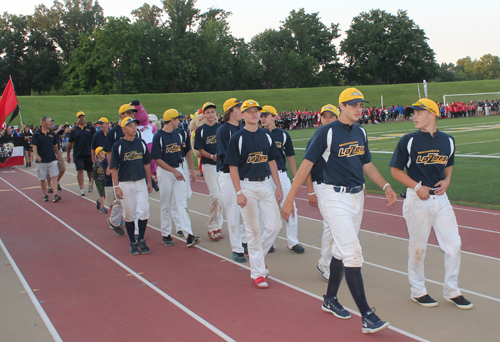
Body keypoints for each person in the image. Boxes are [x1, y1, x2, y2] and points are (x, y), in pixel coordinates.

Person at [281, 88, 397, 334]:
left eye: (360, 105)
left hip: (358, 197)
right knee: (353, 253)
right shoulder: (326, 132)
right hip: (334, 198)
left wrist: (385, 186)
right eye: (353, 104)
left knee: (340, 252)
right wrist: (290, 198)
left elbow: (366, 163)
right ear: (341, 106)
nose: (358, 108)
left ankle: (330, 299)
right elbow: (305, 166)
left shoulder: (361, 131)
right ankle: (367, 315)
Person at [390, 98, 473, 310]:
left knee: (454, 244)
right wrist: (418, 188)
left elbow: (449, 165)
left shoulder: (449, 140)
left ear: (432, 114)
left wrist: (447, 181)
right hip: (417, 200)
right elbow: (395, 171)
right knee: (418, 248)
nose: (414, 116)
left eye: (419, 112)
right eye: (413, 113)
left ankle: (452, 290)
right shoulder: (408, 141)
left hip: (441, 200)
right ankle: (418, 291)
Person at [224, 99, 283, 288]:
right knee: (253, 229)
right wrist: (238, 192)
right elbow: (232, 167)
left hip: (266, 184)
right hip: (246, 186)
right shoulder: (237, 139)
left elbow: (272, 162)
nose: (253, 114)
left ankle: (256, 256)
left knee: (275, 226)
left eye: (256, 111)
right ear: (242, 115)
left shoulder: (267, 136)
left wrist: (278, 187)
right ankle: (258, 272)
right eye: (249, 111)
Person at [151, 109, 200, 248]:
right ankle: (166, 234)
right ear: (172, 120)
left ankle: (188, 235)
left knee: (182, 202)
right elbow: (157, 159)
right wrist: (173, 171)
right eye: (178, 119)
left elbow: (187, 152)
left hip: (178, 169)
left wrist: (190, 170)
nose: (179, 122)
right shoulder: (158, 137)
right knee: (165, 203)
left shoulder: (179, 135)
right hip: (165, 172)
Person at [260, 104, 304, 254]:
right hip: (265, 176)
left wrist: (296, 175)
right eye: (261, 116)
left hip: (281, 174)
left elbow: (290, 157)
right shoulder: (258, 134)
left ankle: (293, 242)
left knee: (290, 206)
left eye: (266, 115)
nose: (263, 118)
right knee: (266, 210)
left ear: (274, 117)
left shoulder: (283, 135)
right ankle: (269, 241)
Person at [304, 104, 339, 281]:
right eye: (324, 116)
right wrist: (310, 191)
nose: (327, 120)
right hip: (321, 185)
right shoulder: (317, 137)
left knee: (336, 225)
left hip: (337, 186)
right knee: (330, 224)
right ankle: (325, 263)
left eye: (331, 117)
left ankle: (335, 260)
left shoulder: (339, 136)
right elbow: (307, 166)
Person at [110, 117, 153, 255]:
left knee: (144, 211)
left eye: (135, 125)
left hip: (140, 181)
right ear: (123, 129)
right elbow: (114, 168)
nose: (134, 128)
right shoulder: (118, 146)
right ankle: (132, 242)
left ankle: (141, 238)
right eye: (130, 126)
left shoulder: (141, 143)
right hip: (125, 183)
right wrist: (116, 186)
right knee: (129, 213)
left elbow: (146, 163)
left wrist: (149, 181)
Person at [216, 98, 247, 263]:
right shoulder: (223, 130)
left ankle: (243, 239)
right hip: (228, 174)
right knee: (233, 212)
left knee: (248, 210)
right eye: (238, 107)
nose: (241, 110)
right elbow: (225, 156)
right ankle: (236, 248)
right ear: (229, 111)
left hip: (243, 174)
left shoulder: (243, 127)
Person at [103, 104, 141, 232]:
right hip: (119, 168)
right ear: (121, 115)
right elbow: (109, 152)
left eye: (133, 113)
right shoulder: (113, 133)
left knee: (130, 197)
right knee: (120, 197)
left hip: (132, 167)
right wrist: (110, 166)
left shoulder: (136, 131)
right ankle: (114, 221)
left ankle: (134, 228)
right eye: (129, 113)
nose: (132, 116)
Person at [194, 102, 224, 241]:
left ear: (216, 114)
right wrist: (212, 156)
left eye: (213, 112)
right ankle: (212, 226)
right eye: (208, 112)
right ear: (204, 115)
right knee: (216, 195)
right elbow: (200, 151)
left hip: (222, 166)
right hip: (208, 165)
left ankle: (218, 225)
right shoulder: (201, 130)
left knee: (222, 197)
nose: (211, 115)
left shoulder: (221, 128)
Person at [30, 116, 61, 203]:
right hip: (41, 160)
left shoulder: (52, 133)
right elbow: (34, 147)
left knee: (54, 176)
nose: (50, 123)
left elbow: (55, 145)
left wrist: (57, 154)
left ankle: (55, 194)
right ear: (43, 123)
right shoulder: (36, 134)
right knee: (43, 178)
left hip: (52, 158)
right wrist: (36, 155)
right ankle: (45, 194)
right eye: (49, 122)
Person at [67, 111, 96, 195]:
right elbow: (70, 143)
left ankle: (91, 184)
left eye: (83, 117)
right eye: (80, 117)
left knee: (90, 171)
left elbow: (95, 141)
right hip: (78, 153)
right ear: (77, 119)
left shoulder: (91, 128)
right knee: (80, 170)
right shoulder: (74, 130)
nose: (82, 118)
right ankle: (82, 188)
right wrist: (68, 155)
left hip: (88, 153)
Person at [92, 146, 108, 214]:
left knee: (104, 194)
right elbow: (93, 174)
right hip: (98, 180)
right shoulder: (96, 164)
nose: (103, 155)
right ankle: (102, 207)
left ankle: (99, 201)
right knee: (102, 194)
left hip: (105, 179)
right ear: (97, 155)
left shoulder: (105, 162)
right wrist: (91, 183)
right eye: (101, 153)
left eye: (104, 153)